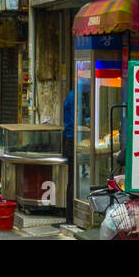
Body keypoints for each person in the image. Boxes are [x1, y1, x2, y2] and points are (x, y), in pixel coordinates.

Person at [63, 86, 75, 224]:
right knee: (73, 180)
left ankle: (70, 217)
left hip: (69, 139)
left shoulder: (71, 95)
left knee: (72, 180)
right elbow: (74, 121)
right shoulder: (73, 97)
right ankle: (70, 217)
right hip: (72, 140)